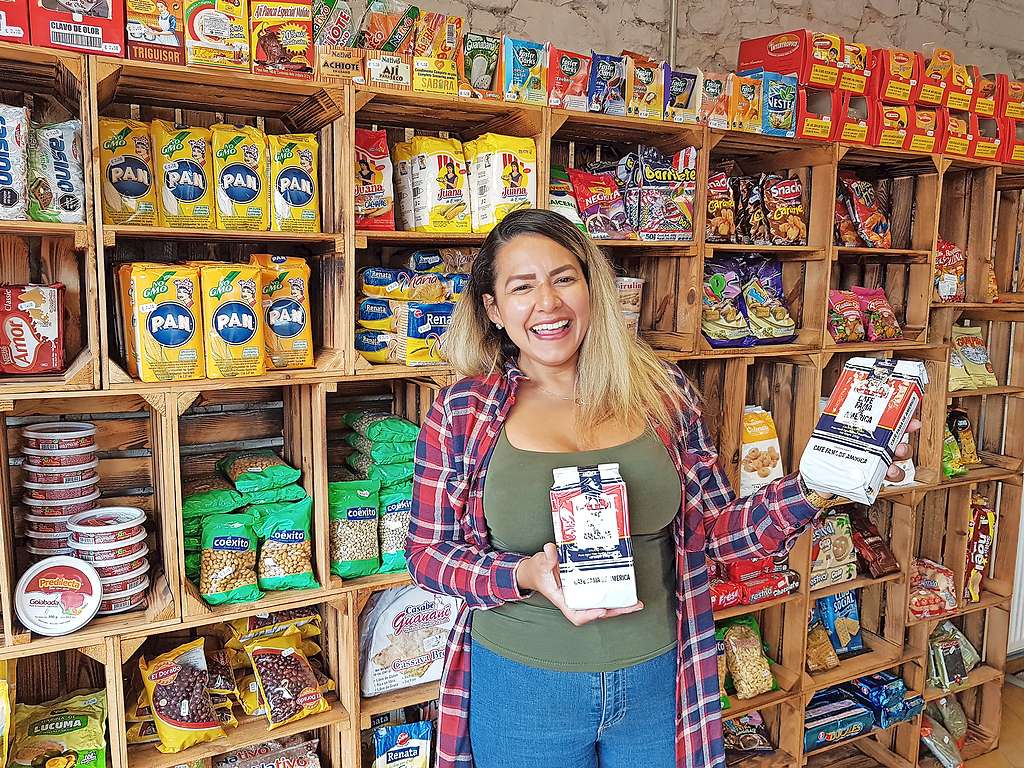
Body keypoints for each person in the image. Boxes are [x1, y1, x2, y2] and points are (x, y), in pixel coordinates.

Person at [406, 209, 916, 768]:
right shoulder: (464, 411)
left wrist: (820, 482)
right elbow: (428, 556)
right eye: (521, 287)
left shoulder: (662, 395)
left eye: (563, 278)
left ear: (592, 288)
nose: (547, 303)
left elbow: (718, 540)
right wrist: (522, 574)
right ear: (494, 309)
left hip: (660, 677)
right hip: (525, 686)